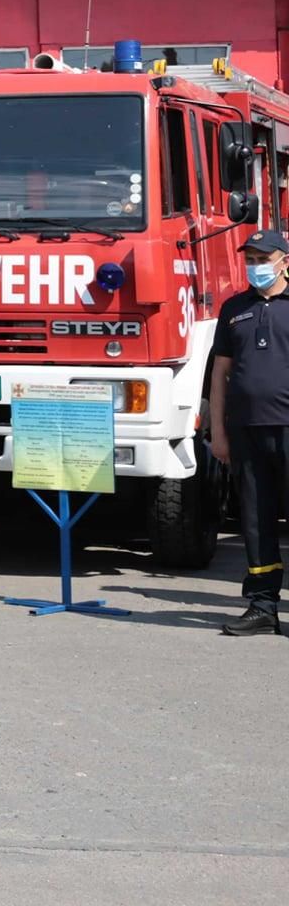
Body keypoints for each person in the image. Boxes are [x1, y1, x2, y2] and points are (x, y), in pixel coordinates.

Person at [209, 228, 289, 637]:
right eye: (251, 259)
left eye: (263, 258)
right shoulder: (233, 308)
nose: (255, 266)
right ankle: (262, 607)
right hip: (245, 432)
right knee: (255, 523)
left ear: (284, 262)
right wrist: (218, 432)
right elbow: (220, 373)